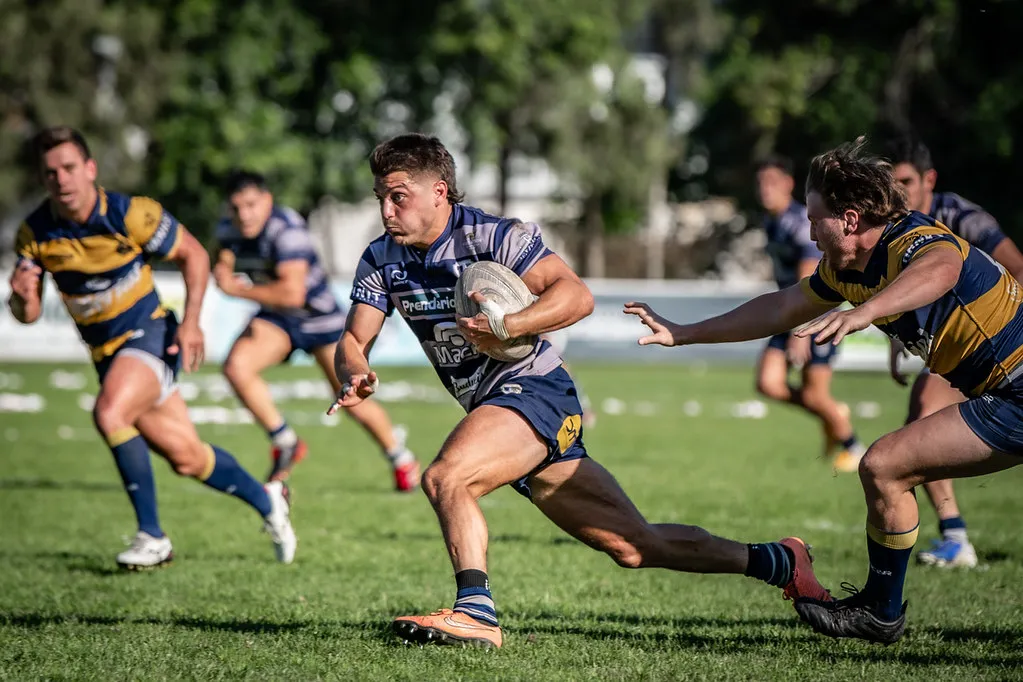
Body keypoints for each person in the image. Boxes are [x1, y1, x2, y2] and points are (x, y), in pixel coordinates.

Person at [328, 133, 831, 649]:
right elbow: (352, 337)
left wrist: (511, 323)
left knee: (446, 476)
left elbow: (576, 294)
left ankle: (476, 611)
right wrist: (355, 370)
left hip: (535, 391)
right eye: (380, 198)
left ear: (439, 191)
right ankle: (778, 560)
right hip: (498, 411)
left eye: (398, 196)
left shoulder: (492, 236)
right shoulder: (382, 258)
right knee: (635, 545)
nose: (386, 210)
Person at [625, 137, 1023, 644]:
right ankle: (880, 609)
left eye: (816, 220)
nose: (809, 232)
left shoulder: (912, 237)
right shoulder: (846, 270)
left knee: (885, 464)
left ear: (851, 219)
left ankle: (882, 609)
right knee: (885, 466)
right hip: (1004, 392)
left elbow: (941, 270)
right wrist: (683, 332)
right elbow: (777, 309)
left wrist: (865, 313)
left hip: (1017, 384)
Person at [7, 127, 296, 569]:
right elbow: (25, 315)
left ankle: (152, 536)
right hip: (108, 357)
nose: (61, 179)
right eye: (50, 173)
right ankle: (269, 499)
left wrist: (193, 323)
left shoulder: (130, 213)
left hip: (151, 336)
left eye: (69, 168)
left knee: (109, 413)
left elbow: (194, 255)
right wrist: (23, 296)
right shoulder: (35, 233)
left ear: (90, 169)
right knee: (188, 457)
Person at [213, 171, 419, 489]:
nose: (245, 215)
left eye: (251, 205)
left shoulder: (286, 229)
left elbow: (292, 294)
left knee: (351, 397)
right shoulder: (229, 228)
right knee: (236, 367)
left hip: (319, 319)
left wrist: (237, 290)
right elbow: (224, 259)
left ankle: (400, 457)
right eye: (237, 208)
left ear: (267, 200)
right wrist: (223, 269)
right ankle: (286, 442)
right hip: (278, 319)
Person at [884, 134, 1023, 568]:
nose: (897, 192)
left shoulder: (959, 216)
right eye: (890, 182)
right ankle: (955, 536)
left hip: (1001, 346)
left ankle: (955, 538)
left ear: (929, 178)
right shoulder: (895, 226)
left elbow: (1016, 266)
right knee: (920, 419)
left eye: (905, 180)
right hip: (957, 353)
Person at [754, 155, 863, 472]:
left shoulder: (801, 222)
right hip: (787, 313)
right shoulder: (769, 221)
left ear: (789, 184)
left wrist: (800, 332)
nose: (764, 189)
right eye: (760, 183)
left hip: (813, 316)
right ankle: (834, 413)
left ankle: (852, 446)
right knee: (767, 383)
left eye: (772, 182)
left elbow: (807, 280)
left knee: (816, 395)